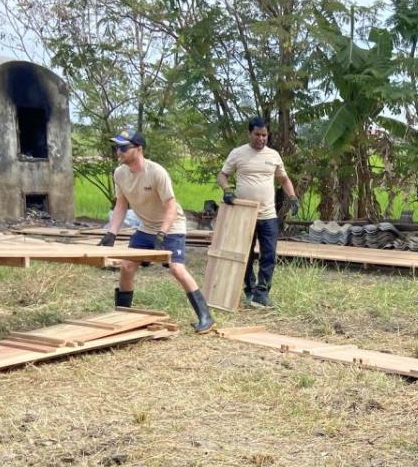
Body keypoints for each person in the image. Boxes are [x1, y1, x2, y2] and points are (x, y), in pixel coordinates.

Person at [100, 128, 214, 333]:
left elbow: (171, 206)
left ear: (138, 149)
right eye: (117, 147)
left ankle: (205, 315)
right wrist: (111, 233)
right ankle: (123, 315)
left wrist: (162, 234)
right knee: (127, 266)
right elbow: (121, 205)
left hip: (171, 226)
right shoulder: (120, 173)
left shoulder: (156, 173)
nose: (119, 151)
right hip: (146, 227)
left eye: (124, 148)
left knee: (176, 269)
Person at [216, 118, 299, 309]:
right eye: (257, 134)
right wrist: (227, 190)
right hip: (244, 214)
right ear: (249, 134)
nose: (261, 138)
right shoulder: (238, 154)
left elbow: (284, 180)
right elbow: (222, 175)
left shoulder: (274, 155)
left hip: (268, 215)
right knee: (244, 254)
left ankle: (262, 294)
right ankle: (249, 289)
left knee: (268, 254)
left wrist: (293, 197)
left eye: (265, 135)